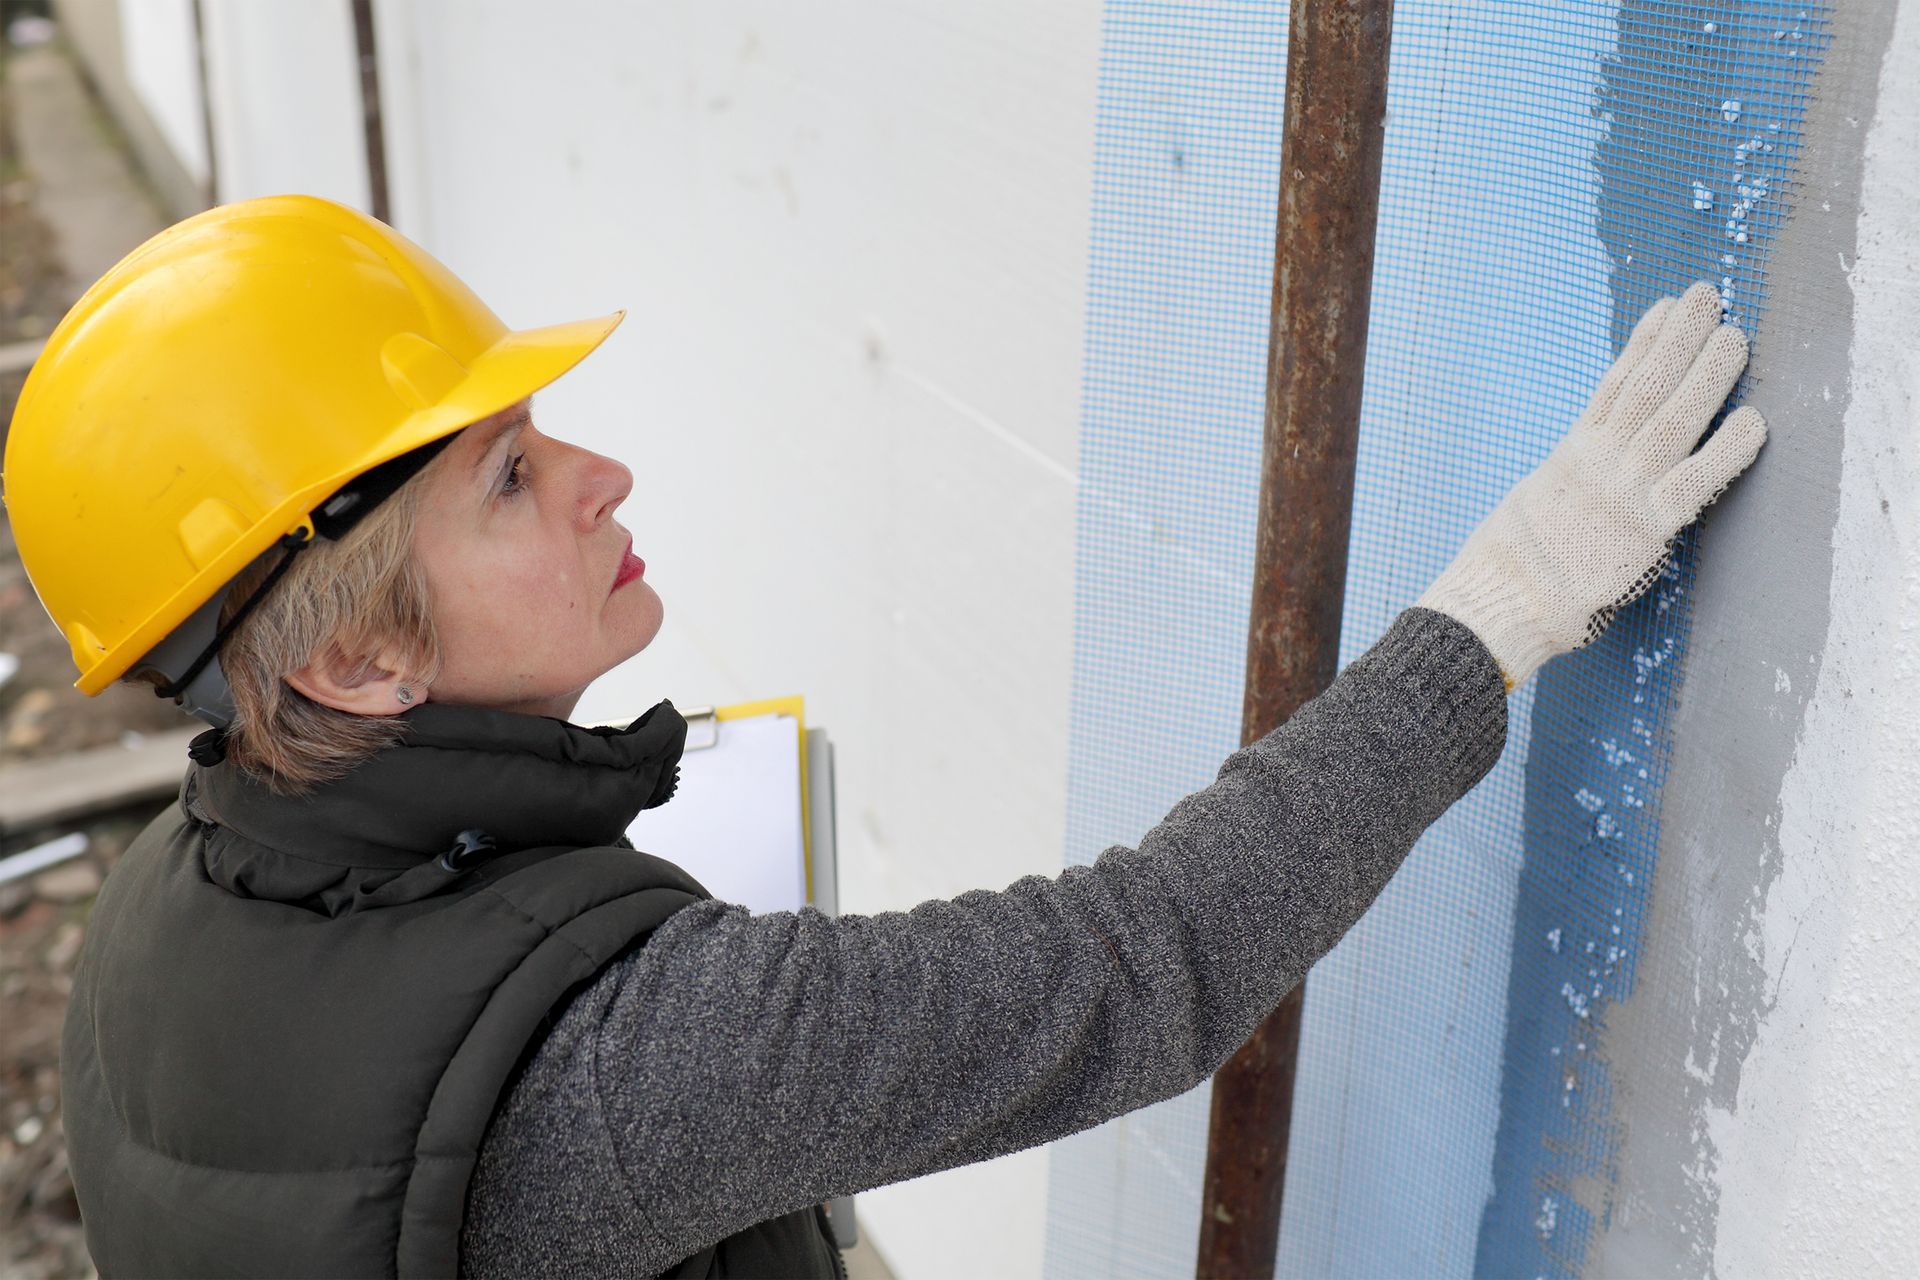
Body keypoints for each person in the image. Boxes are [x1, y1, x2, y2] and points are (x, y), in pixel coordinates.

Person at [2, 195, 1766, 1277]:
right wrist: (1506, 605)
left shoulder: (166, 904)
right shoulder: (637, 1066)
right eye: (514, 477)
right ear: (364, 667)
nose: (602, 472)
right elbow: (1140, 965)